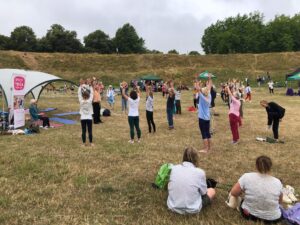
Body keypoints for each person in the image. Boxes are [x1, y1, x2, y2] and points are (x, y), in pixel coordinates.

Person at [230, 155, 283, 224]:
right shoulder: (277, 182)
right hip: (273, 219)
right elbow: (280, 201)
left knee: (243, 200)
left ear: (256, 165)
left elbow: (233, 193)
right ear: (270, 167)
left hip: (248, 215)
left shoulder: (246, 176)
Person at [167, 147, 216, 214]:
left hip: (172, 206)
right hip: (193, 208)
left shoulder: (174, 168)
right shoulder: (200, 172)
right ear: (196, 158)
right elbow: (204, 193)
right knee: (212, 191)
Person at [195, 75, 213, 153]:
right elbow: (209, 86)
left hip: (202, 118)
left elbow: (197, 88)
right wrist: (209, 78)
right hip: (208, 118)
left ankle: (205, 149)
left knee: (204, 133)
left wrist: (196, 79)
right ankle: (209, 148)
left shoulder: (202, 97)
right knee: (208, 132)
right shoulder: (209, 96)